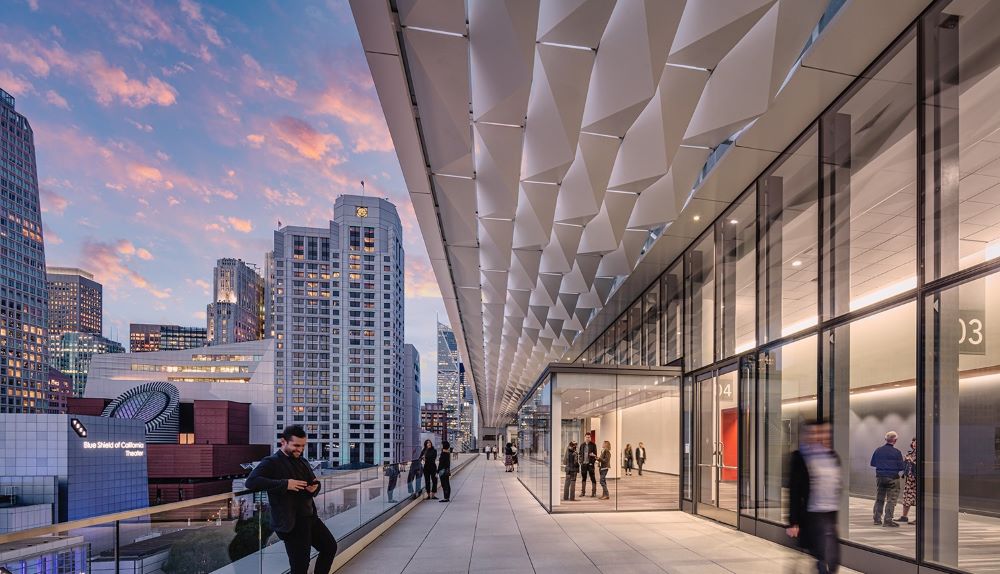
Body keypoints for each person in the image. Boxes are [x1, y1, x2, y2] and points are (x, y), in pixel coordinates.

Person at [245, 425, 337, 574]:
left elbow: (313, 482)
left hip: (309, 518)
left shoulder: (302, 461)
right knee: (300, 566)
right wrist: (285, 484)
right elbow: (251, 482)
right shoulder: (271, 462)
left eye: (302, 446)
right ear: (283, 442)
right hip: (290, 523)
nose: (300, 450)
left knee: (329, 547)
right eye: (296, 445)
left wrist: (315, 488)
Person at [787, 421, 841, 574]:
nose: (822, 436)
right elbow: (794, 491)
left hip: (830, 513)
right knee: (822, 556)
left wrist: (835, 520)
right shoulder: (800, 457)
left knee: (834, 559)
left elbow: (836, 487)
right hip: (813, 513)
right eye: (817, 433)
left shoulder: (832, 456)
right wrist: (793, 521)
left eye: (825, 432)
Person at [870, 430, 905, 527]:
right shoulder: (897, 452)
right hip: (893, 478)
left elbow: (873, 463)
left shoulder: (878, 450)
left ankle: (877, 519)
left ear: (886, 439)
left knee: (879, 498)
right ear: (895, 440)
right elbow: (901, 467)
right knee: (891, 499)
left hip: (880, 477)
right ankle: (888, 520)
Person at [899, 438, 917, 525]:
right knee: (906, 496)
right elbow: (905, 465)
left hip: (917, 480)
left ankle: (919, 518)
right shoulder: (911, 453)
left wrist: (911, 460)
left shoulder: (923, 453)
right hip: (909, 479)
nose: (914, 444)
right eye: (913, 442)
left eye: (916, 442)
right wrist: (905, 460)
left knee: (917, 498)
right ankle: (904, 516)